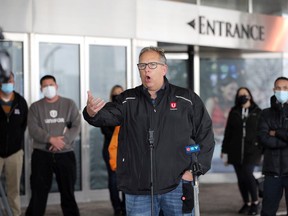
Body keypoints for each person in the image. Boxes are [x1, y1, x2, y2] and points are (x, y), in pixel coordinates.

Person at [83, 46, 215, 215]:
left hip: (177, 186)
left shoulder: (186, 99)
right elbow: (106, 116)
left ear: (164, 69)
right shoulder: (127, 99)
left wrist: (193, 171)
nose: (146, 70)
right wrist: (91, 112)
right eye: (142, 66)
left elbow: (205, 136)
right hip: (137, 189)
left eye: (152, 65)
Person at [25, 75, 81, 216]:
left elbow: (76, 126)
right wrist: (50, 139)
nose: (48, 87)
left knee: (68, 193)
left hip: (65, 155)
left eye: (51, 84)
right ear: (41, 89)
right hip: (42, 155)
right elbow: (33, 129)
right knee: (38, 194)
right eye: (45, 85)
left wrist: (62, 142)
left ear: (56, 86)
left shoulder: (69, 104)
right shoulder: (35, 107)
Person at [221, 87, 262, 215]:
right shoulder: (234, 111)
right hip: (235, 150)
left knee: (247, 173)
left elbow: (262, 132)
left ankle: (255, 202)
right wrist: (224, 150)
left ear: (250, 95)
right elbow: (228, 132)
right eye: (240, 95)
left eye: (245, 94)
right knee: (241, 178)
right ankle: (247, 202)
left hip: (252, 151)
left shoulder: (258, 111)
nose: (242, 96)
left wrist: (262, 148)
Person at [258, 76, 288, 216]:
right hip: (272, 171)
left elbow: (270, 137)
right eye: (279, 88)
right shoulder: (265, 113)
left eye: (285, 88)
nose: (282, 91)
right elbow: (264, 138)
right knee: (268, 212)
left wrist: (276, 132)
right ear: (274, 90)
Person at [0, 72, 28, 216]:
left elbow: (23, 125)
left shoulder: (20, 101)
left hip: (15, 153)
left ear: (13, 81)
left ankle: (14, 214)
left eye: (9, 80)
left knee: (13, 190)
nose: (7, 83)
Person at [100, 85, 125, 216]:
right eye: (115, 93)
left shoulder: (128, 108)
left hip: (126, 150)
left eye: (120, 93)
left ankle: (126, 207)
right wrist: (118, 132)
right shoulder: (107, 109)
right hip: (110, 150)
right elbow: (104, 128)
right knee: (113, 180)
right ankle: (117, 208)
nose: (117, 95)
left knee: (127, 179)